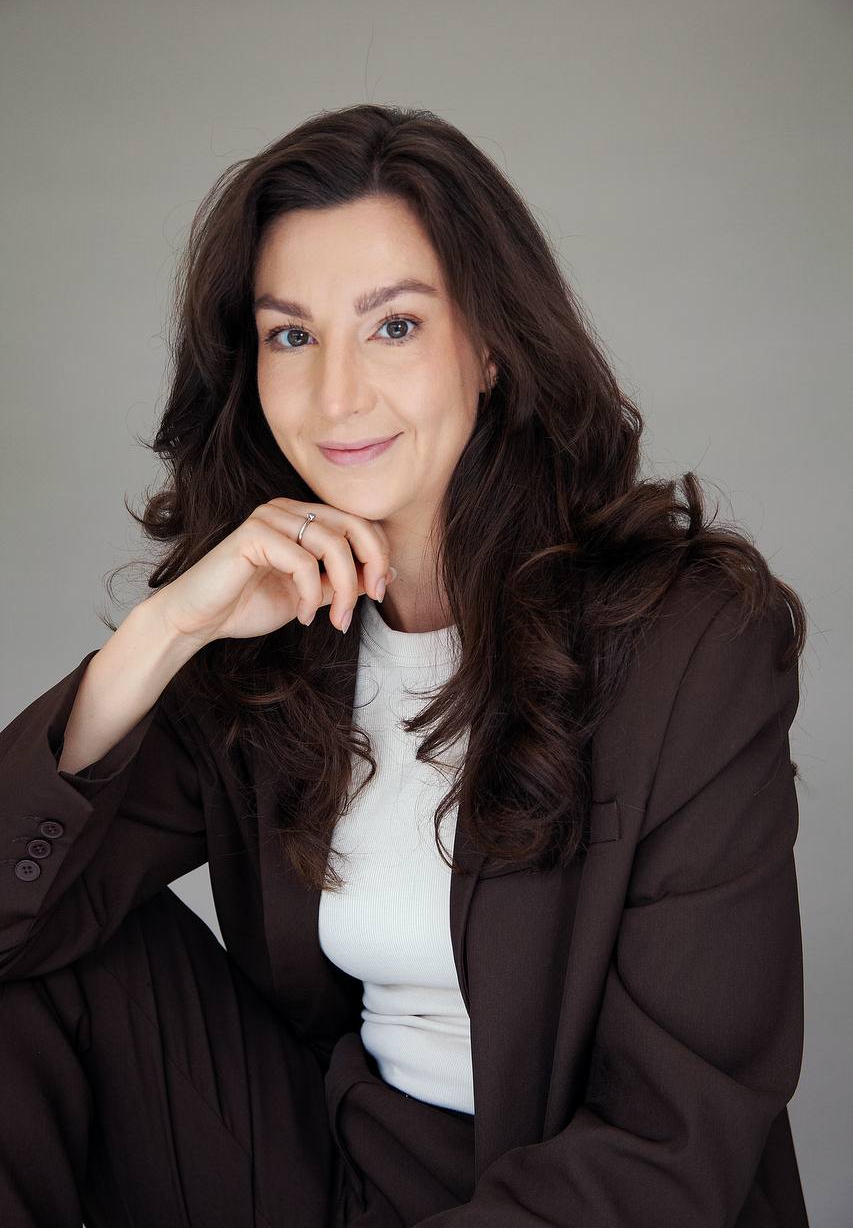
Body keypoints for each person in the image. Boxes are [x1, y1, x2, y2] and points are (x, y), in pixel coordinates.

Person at [0, 104, 810, 1227]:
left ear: (487, 344)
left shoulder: (689, 642)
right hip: (336, 1168)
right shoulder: (275, 634)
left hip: (585, 1204)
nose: (336, 395)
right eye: (291, 334)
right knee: (40, 960)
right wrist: (164, 633)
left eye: (392, 327)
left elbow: (668, 1137)